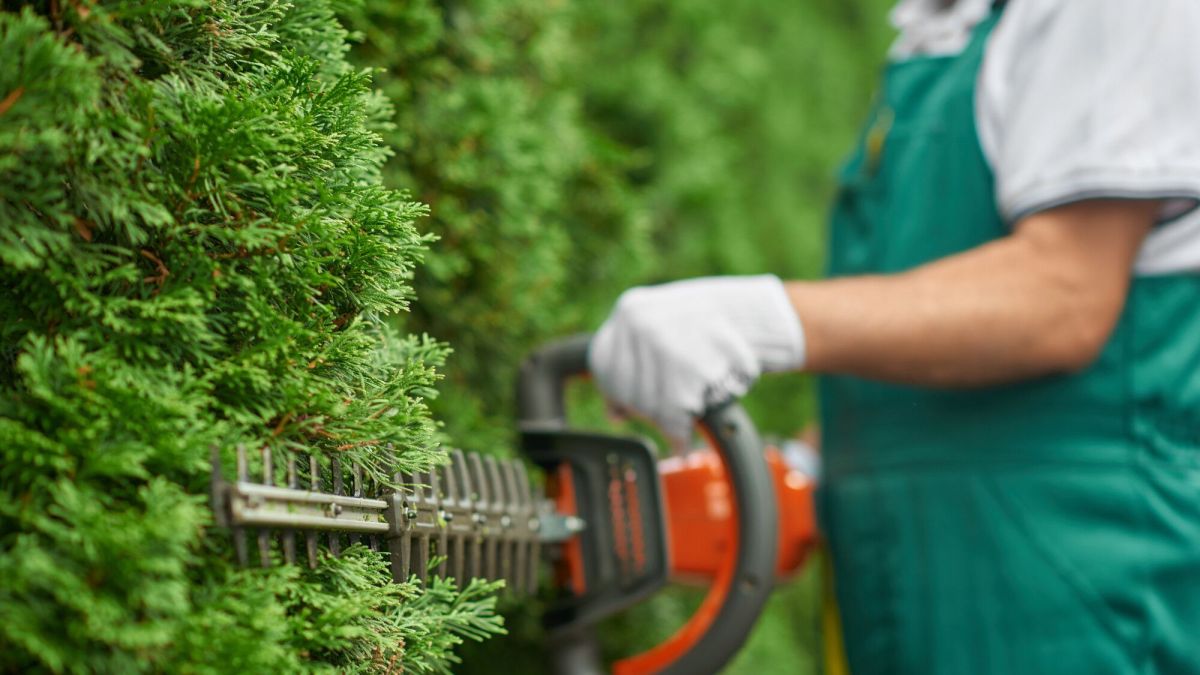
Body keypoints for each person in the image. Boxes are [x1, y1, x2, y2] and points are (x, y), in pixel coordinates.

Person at [587, 0, 1200, 672]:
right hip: (907, 582)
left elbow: (1067, 292)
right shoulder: (947, 35)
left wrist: (759, 318)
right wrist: (802, 473)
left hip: (1071, 585)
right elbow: (926, 318)